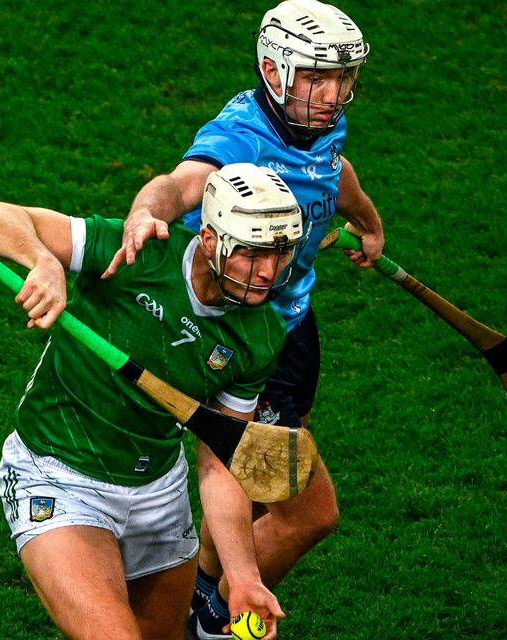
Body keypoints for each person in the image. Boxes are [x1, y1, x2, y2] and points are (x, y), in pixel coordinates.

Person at [100, 1, 385, 638]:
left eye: (342, 79)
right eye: (316, 77)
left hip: (293, 327)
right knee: (309, 515)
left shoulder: (316, 122)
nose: (333, 94)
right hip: (246, 339)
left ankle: (203, 588)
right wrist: (148, 212)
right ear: (271, 69)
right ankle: (215, 609)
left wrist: (365, 219)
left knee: (252, 487)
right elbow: (178, 184)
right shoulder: (239, 139)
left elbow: (331, 169)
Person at [0, 163, 305, 640]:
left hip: (160, 497)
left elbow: (218, 463)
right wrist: (43, 260)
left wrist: (243, 578)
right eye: (250, 253)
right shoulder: (136, 254)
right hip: (59, 477)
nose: (268, 271)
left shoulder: (262, 335)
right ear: (209, 240)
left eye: (281, 252)